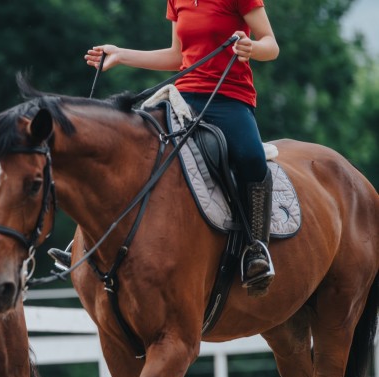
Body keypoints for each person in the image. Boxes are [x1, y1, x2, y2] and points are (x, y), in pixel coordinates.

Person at [85, 0, 280, 295]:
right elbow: (177, 56)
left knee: (251, 157)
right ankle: (90, 243)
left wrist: (251, 47)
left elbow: (271, 45)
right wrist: (121, 55)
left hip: (229, 98)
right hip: (183, 96)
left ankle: (256, 248)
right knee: (134, 146)